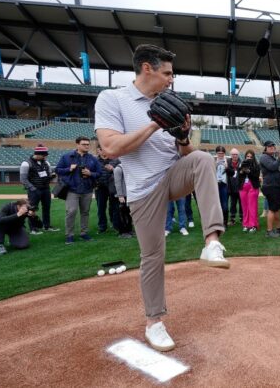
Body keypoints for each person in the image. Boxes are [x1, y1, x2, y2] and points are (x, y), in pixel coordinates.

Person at [95, 43, 228, 352]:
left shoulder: (169, 101)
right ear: (147, 68)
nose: (171, 79)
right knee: (153, 256)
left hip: (172, 174)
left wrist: (182, 135)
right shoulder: (113, 98)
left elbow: (185, 154)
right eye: (167, 73)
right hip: (142, 189)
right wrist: (155, 123)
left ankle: (212, 243)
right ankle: (154, 322)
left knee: (203, 160)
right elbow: (111, 148)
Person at [55, 136, 101, 244]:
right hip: (72, 189)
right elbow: (57, 170)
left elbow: (99, 173)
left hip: (87, 189)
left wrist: (91, 173)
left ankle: (84, 233)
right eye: (84, 144)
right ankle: (69, 235)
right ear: (77, 145)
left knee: (85, 212)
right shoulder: (67, 157)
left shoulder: (92, 158)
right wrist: (69, 169)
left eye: (88, 144)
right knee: (71, 212)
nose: (86, 146)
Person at [20, 143, 58, 234]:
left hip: (45, 188)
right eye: (44, 155)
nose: (45, 157)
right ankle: (33, 228)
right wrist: (32, 188)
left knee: (46, 208)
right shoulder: (26, 163)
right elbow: (23, 179)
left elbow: (48, 175)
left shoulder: (46, 163)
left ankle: (47, 226)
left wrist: (52, 176)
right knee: (32, 209)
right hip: (34, 190)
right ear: (38, 154)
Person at [259, 140, 280, 238]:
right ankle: (269, 231)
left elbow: (276, 170)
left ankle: (279, 228)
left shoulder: (271, 157)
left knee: (277, 208)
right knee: (272, 209)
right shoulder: (264, 157)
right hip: (270, 187)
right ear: (265, 148)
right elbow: (272, 167)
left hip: (276, 186)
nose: (272, 148)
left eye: (273, 147)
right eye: (270, 146)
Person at [96, 146, 121, 234]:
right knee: (101, 208)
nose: (104, 152)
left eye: (105, 150)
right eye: (101, 150)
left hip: (113, 187)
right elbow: (92, 173)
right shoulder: (95, 161)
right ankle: (102, 227)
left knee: (115, 207)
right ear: (98, 151)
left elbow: (121, 172)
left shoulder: (116, 160)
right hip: (100, 187)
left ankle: (116, 225)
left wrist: (113, 169)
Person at [238, 149, 261, 233]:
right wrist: (241, 172)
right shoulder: (242, 164)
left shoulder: (256, 165)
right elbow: (239, 177)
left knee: (252, 207)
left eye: (251, 157)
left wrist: (249, 171)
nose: (249, 158)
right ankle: (245, 224)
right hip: (243, 187)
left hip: (253, 187)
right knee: (244, 207)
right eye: (247, 156)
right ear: (245, 157)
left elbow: (256, 176)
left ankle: (253, 225)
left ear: (253, 157)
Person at [113, 162, 133, 238]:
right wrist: (120, 195)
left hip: (129, 195)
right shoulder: (118, 169)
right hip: (122, 196)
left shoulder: (129, 167)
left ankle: (129, 230)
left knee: (128, 214)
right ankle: (123, 232)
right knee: (122, 215)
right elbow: (117, 183)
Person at [227, 148, 243, 225]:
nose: (234, 156)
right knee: (232, 203)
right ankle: (232, 219)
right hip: (231, 187)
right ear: (231, 155)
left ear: (238, 155)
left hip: (240, 187)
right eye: (233, 154)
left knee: (241, 203)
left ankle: (242, 218)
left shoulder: (242, 163)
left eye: (236, 154)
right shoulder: (227, 163)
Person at [215, 145, 230, 227]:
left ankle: (225, 222)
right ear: (216, 153)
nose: (220, 155)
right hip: (216, 185)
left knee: (224, 205)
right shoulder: (213, 160)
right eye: (219, 153)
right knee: (217, 204)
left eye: (222, 153)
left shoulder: (227, 160)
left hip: (224, 184)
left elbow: (231, 173)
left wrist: (227, 168)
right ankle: (217, 222)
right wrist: (215, 165)